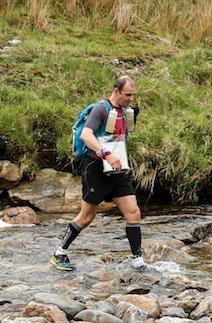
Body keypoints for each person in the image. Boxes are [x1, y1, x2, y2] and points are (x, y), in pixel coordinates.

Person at [50, 75, 145, 271]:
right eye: (128, 95)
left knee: (133, 213)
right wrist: (106, 154)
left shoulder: (125, 111)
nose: (131, 99)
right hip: (96, 168)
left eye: (133, 95)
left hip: (118, 169)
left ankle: (138, 261)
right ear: (116, 91)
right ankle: (60, 252)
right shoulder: (101, 109)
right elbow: (86, 135)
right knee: (87, 217)